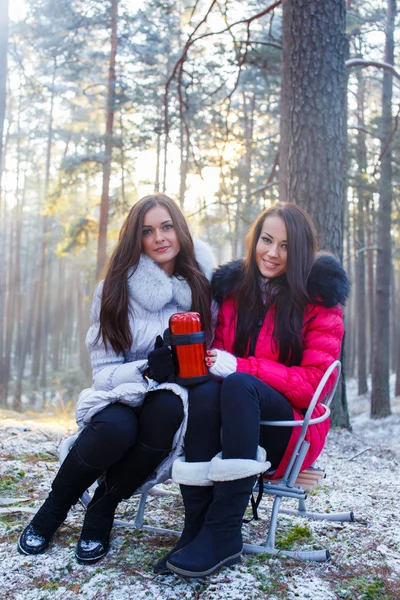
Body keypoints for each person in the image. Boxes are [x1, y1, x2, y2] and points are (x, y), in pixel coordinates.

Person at [17, 193, 215, 565]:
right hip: (121, 393)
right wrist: (145, 368)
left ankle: (103, 509)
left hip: (171, 396)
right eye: (148, 231)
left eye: (167, 226)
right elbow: (103, 372)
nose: (160, 237)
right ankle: (53, 507)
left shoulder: (202, 291)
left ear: (180, 230)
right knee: (114, 428)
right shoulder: (114, 289)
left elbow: (210, 356)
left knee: (168, 410)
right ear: (135, 239)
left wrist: (182, 368)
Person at [162, 202, 350, 578]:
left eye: (285, 246)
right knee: (204, 392)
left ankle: (223, 533)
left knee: (239, 383)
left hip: (291, 430)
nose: (273, 253)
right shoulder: (233, 293)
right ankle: (197, 527)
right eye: (267, 240)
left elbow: (315, 383)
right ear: (255, 240)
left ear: (300, 253)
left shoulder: (319, 304)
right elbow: (215, 360)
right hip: (234, 421)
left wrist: (243, 368)